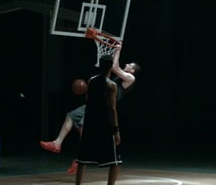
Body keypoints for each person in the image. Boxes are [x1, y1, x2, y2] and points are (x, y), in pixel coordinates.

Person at [39, 43, 140, 174]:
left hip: (103, 106)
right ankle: (57, 143)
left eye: (129, 65)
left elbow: (115, 67)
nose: (126, 65)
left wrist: (118, 50)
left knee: (84, 128)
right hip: (95, 102)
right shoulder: (117, 78)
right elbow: (114, 68)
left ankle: (80, 159)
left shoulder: (131, 78)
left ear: (133, 71)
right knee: (71, 115)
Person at [69, 54, 126, 185]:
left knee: (82, 159)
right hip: (104, 125)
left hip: (90, 124)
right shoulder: (111, 85)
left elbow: (90, 103)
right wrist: (116, 130)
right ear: (111, 67)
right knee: (115, 162)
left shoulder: (91, 81)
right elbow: (112, 109)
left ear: (99, 65)